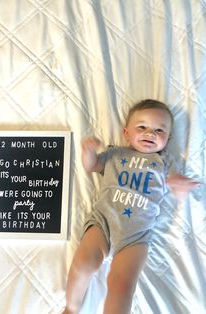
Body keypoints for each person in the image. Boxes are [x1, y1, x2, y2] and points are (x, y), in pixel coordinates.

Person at [63, 99, 199, 314]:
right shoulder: (115, 154)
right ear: (126, 133)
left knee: (122, 285)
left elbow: (176, 185)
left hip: (135, 235)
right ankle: (71, 308)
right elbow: (91, 166)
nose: (150, 133)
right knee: (83, 264)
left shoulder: (164, 162)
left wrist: (180, 185)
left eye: (159, 130)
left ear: (168, 138)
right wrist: (88, 152)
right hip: (103, 222)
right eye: (142, 127)